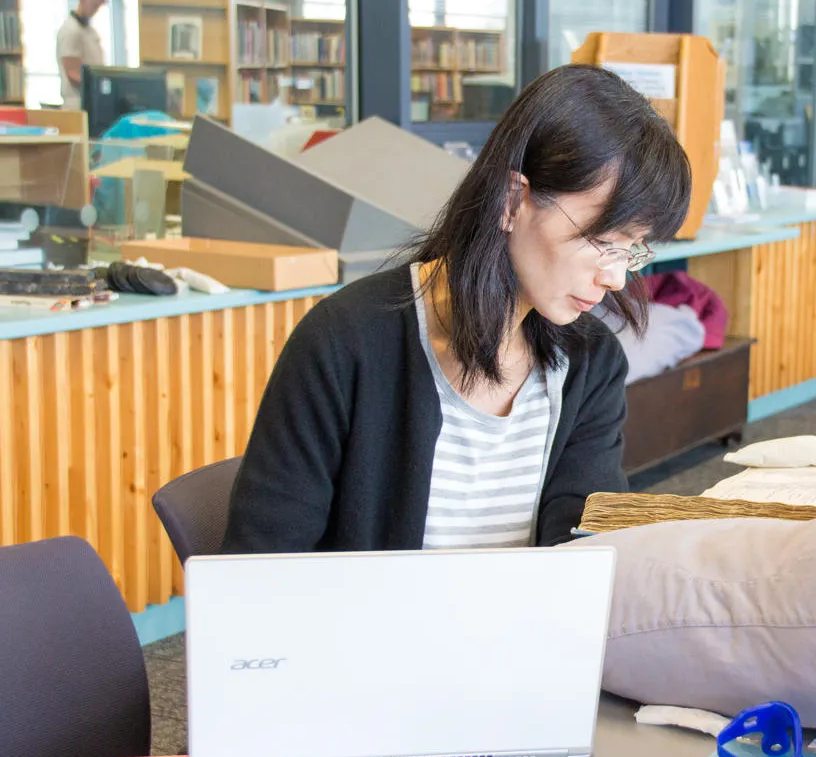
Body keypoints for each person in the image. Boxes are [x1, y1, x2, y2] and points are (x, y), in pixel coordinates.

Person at [221, 64, 692, 553]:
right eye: (603, 239)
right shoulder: (347, 343)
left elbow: (582, 550)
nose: (615, 277)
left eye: (632, 247)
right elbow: (261, 563)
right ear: (513, 200)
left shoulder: (590, 362)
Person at [57, 0, 107, 110]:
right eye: (94, 3)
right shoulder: (70, 30)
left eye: (99, 5)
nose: (96, 9)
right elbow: (73, 73)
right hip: (77, 103)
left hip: (92, 100)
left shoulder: (91, 31)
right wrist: (99, 85)